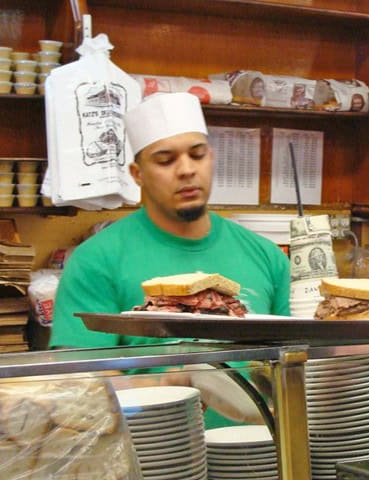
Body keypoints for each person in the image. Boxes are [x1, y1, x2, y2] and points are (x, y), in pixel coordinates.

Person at [50, 92, 291, 422]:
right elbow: (74, 381)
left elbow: (289, 365)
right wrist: (166, 386)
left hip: (262, 456)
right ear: (138, 174)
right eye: (166, 160)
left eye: (198, 155)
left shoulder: (266, 255)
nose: (187, 170)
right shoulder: (98, 259)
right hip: (157, 457)